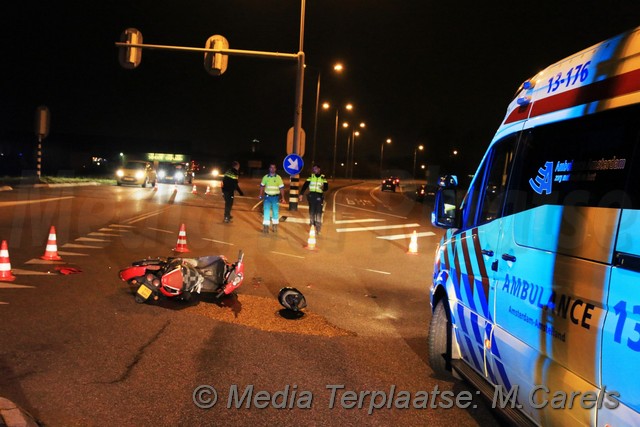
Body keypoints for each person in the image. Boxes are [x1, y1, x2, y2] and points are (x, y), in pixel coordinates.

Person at [299, 164, 328, 234]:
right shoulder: (311, 177)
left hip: (319, 196)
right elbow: (305, 185)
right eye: (313, 169)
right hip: (312, 196)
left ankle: (318, 229)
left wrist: (323, 188)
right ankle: (312, 227)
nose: (314, 170)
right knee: (311, 212)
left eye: (315, 169)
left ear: (319, 169)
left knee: (318, 213)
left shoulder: (323, 177)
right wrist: (301, 194)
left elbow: (326, 188)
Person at [258, 163, 286, 233]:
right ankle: (266, 227)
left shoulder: (278, 178)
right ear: (269, 168)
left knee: (275, 212)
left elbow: (282, 188)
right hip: (267, 197)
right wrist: (260, 195)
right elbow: (262, 186)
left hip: (275, 198)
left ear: (275, 169)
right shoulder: (265, 177)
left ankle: (275, 225)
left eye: (274, 168)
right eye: (271, 167)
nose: (272, 169)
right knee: (266, 211)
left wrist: (283, 198)